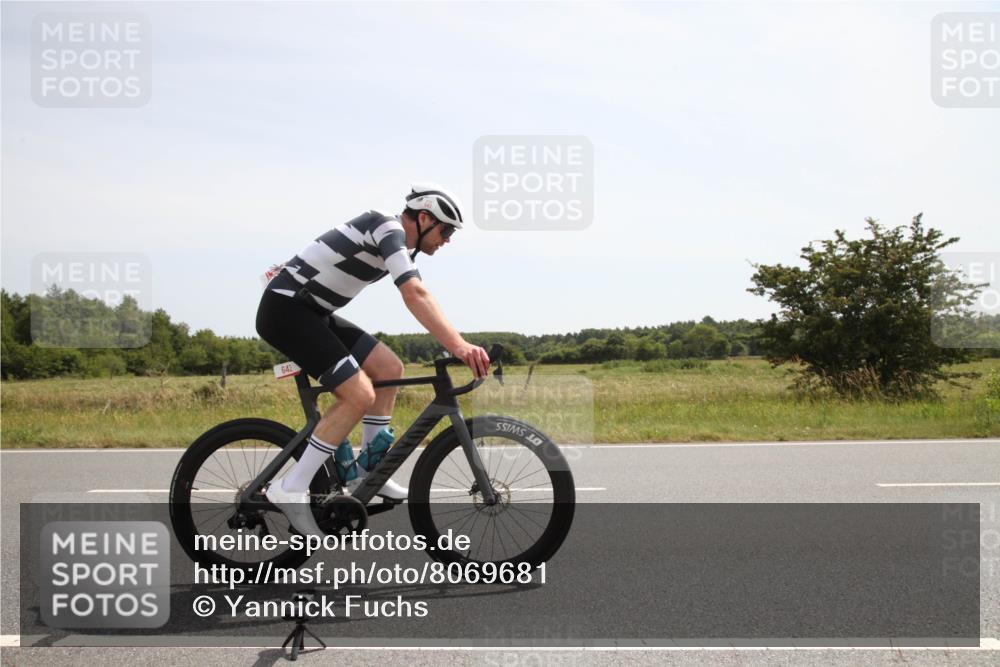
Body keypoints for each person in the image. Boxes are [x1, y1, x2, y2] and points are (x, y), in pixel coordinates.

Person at [255, 183, 490, 538]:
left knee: (389, 368)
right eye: (445, 231)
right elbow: (414, 293)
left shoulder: (396, 243)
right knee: (359, 394)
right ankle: (291, 487)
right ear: (424, 218)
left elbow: (418, 293)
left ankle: (366, 473)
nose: (447, 240)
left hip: (312, 311)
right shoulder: (386, 228)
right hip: (286, 310)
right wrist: (460, 346)